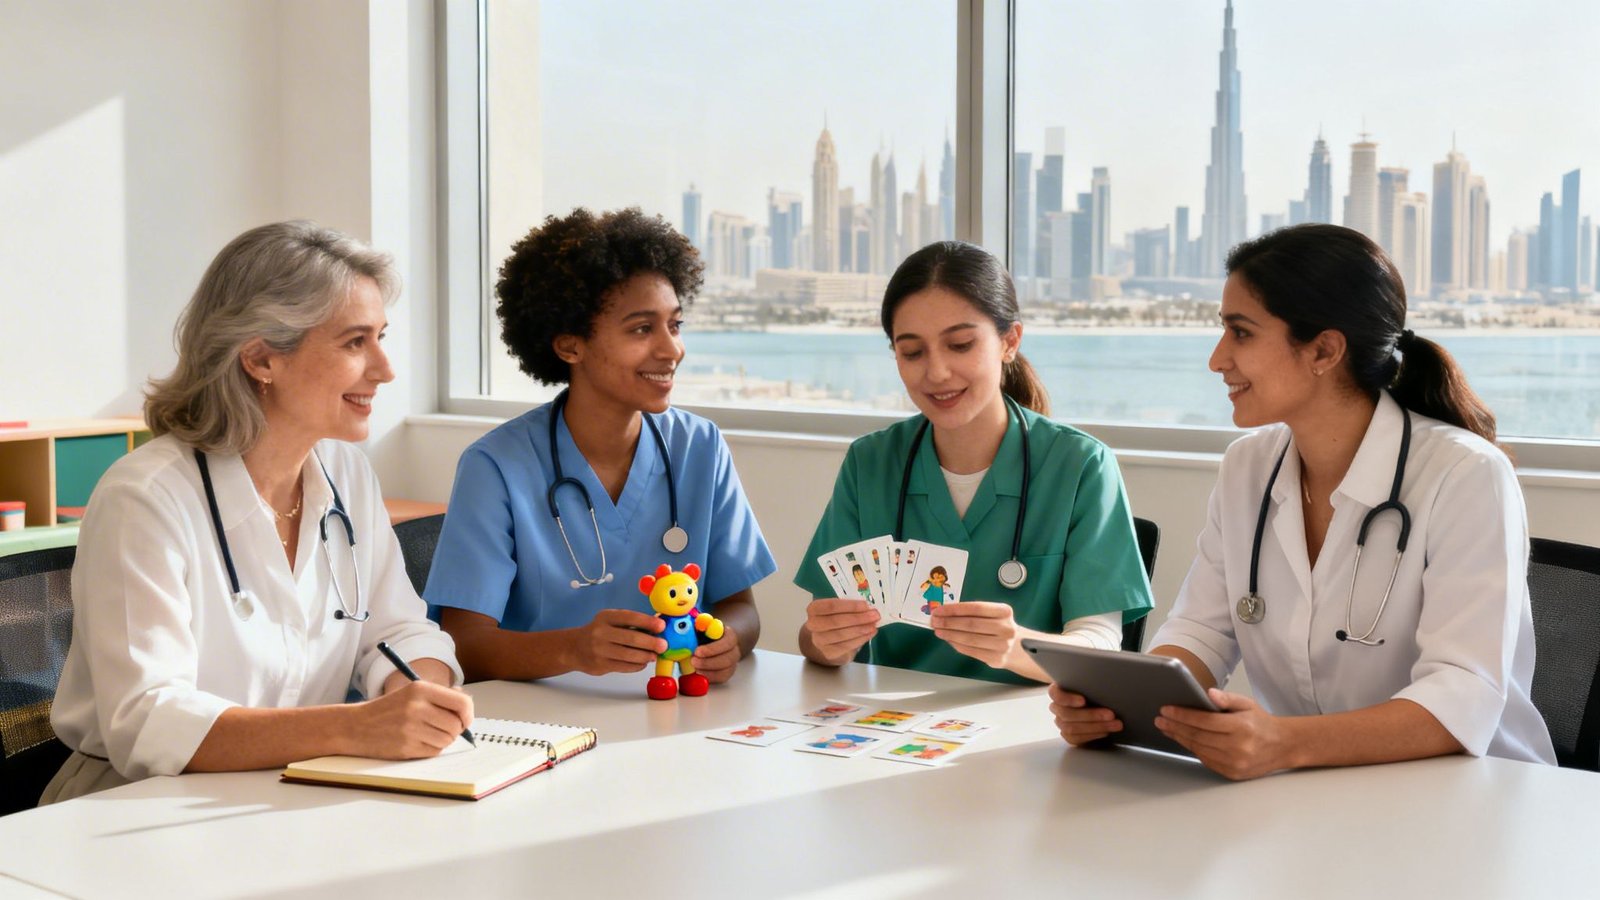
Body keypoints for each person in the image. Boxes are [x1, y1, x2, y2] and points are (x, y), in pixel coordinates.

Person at [1049, 224, 1557, 779]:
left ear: (1324, 350)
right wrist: (1121, 708)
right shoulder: (1249, 466)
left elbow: (1463, 695)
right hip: (1314, 792)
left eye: (1241, 333)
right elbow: (1201, 632)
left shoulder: (1466, 474)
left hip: (1472, 796)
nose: (1217, 359)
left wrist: (1284, 743)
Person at [45, 221, 471, 803]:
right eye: (355, 342)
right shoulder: (145, 498)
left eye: (381, 337)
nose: (385, 368)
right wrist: (355, 727)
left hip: (293, 785)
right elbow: (147, 721)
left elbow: (397, 630)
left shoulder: (347, 475)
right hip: (131, 802)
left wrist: (418, 693)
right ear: (261, 359)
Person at [426, 208, 776, 699]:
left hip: (669, 710)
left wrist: (729, 641)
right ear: (571, 345)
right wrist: (575, 650)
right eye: (641, 329)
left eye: (674, 325)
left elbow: (740, 607)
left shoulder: (700, 447)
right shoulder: (497, 466)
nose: (671, 348)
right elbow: (463, 644)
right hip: (539, 719)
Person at [796, 241, 1153, 685]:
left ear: (1009, 342)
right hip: (892, 728)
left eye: (960, 344)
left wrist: (1016, 646)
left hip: (1030, 728)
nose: (937, 372)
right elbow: (817, 637)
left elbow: (1100, 642)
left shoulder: (1080, 465)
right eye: (912, 352)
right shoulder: (870, 462)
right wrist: (827, 642)